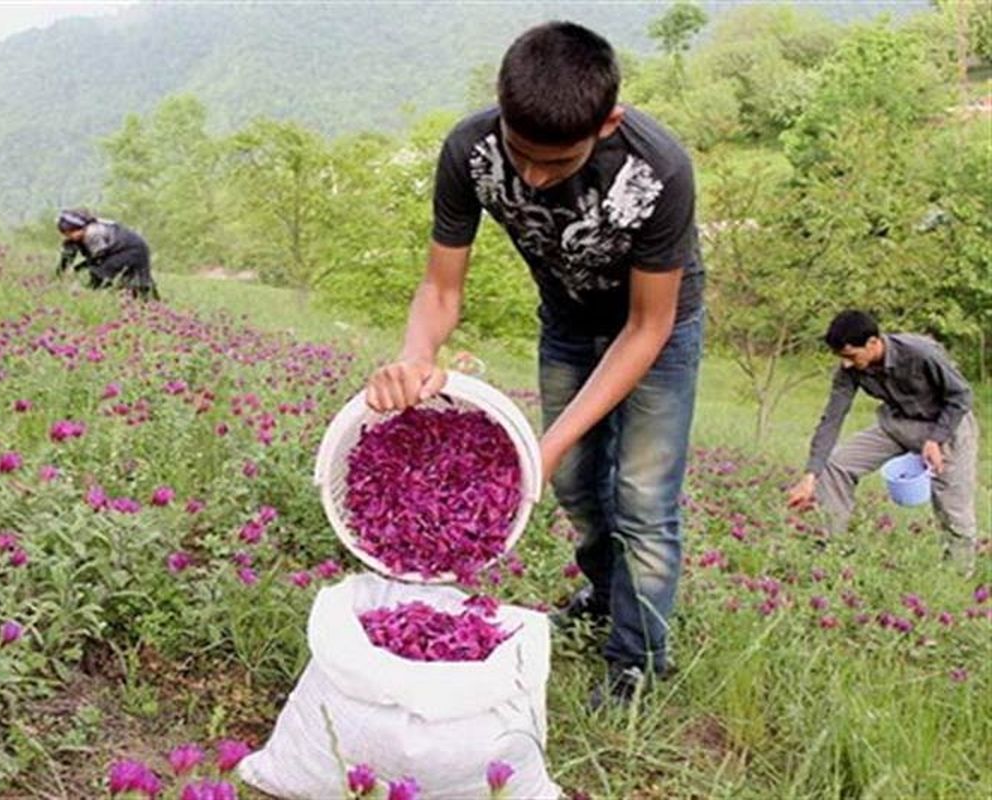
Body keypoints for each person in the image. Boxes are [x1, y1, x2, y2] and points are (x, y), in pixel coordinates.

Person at [365, 21, 705, 709]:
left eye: (557, 163)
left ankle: (638, 658)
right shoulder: (470, 150)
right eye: (523, 156)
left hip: (655, 334)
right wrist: (412, 357)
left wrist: (542, 444)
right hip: (568, 325)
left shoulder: (657, 169)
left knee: (642, 495)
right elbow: (441, 288)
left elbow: (647, 326)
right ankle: (608, 596)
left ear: (608, 122)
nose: (534, 176)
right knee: (577, 487)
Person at [787, 310, 978, 575]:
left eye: (851, 356)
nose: (847, 365)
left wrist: (936, 439)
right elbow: (832, 418)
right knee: (836, 465)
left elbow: (962, 396)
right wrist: (810, 476)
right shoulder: (849, 368)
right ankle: (833, 545)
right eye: (842, 358)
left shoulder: (920, 353)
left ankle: (959, 572)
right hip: (898, 424)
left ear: (873, 343)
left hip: (947, 425)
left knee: (952, 503)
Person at [55, 208, 160, 301]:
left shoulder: (93, 234)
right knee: (128, 280)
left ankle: (150, 305)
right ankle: (149, 304)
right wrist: (60, 273)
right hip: (120, 249)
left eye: (70, 233)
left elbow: (98, 258)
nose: (68, 237)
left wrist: (79, 268)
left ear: (80, 228)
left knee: (103, 273)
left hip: (131, 250)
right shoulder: (80, 234)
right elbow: (67, 257)